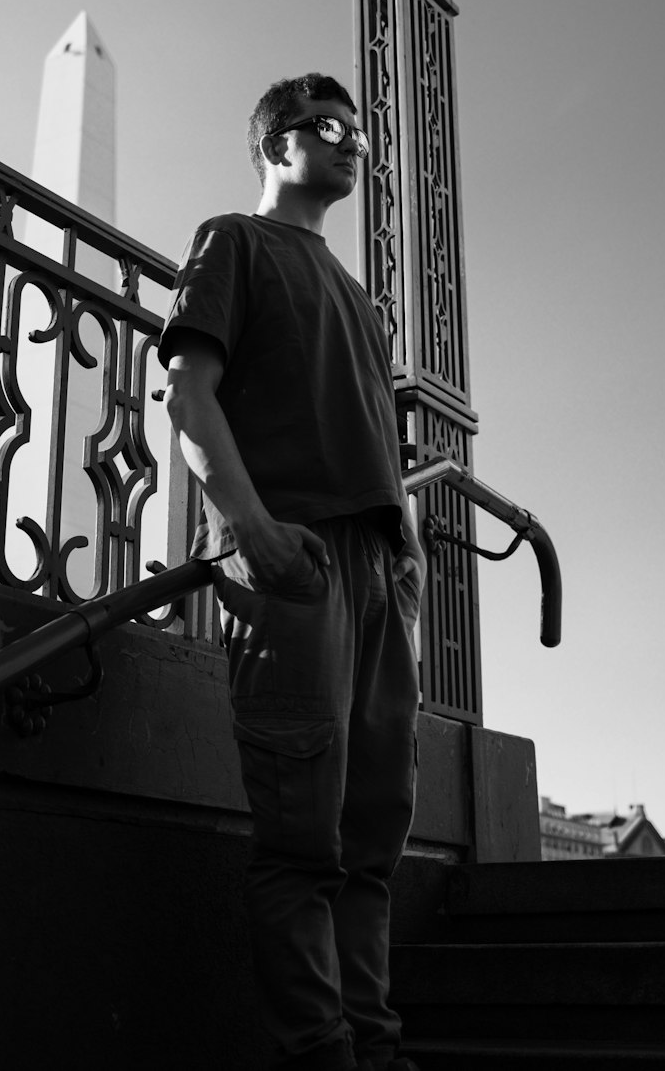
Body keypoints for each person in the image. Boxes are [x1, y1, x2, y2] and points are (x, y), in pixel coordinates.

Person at [159, 74, 425, 1071]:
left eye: (360, 131)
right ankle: (323, 1058)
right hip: (295, 562)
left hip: (372, 569)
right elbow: (188, 396)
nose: (353, 143)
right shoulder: (232, 240)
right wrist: (253, 529)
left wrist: (400, 557)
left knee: (372, 839)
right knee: (305, 838)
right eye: (328, 129)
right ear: (277, 145)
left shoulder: (358, 298)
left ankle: (376, 1048)